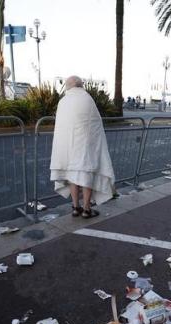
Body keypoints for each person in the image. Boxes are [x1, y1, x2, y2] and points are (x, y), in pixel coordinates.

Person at [49, 75, 115, 219]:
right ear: (80, 85)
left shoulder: (63, 102)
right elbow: (95, 124)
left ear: (69, 86)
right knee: (86, 177)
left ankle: (75, 207)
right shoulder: (87, 99)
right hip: (84, 148)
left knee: (73, 177)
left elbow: (61, 128)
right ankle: (86, 209)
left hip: (68, 150)